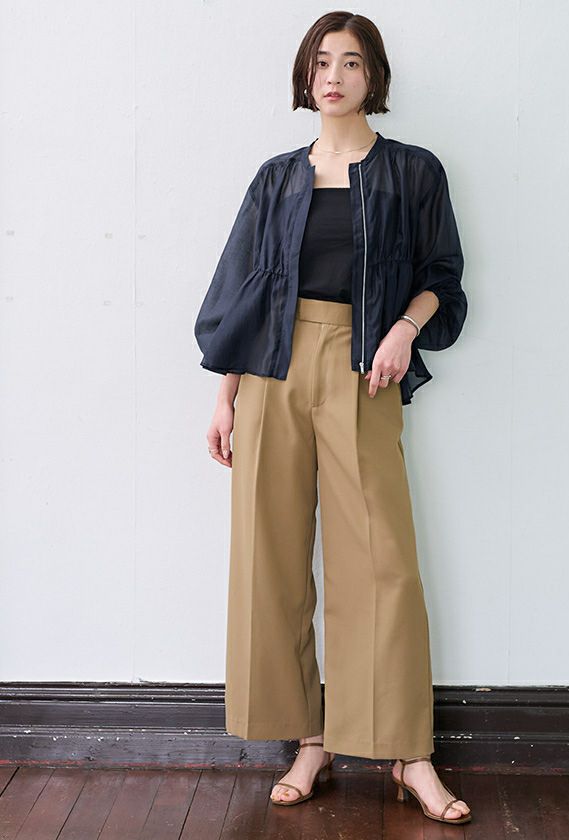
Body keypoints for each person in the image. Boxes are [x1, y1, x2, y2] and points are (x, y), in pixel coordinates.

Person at [194, 10, 471, 827]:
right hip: (271, 369)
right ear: (305, 76)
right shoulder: (276, 179)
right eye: (322, 62)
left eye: (351, 62)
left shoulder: (413, 171)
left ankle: (407, 753)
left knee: (382, 565)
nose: (335, 76)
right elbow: (242, 293)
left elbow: (442, 276)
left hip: (364, 368)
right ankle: (309, 741)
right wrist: (225, 397)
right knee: (270, 558)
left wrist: (404, 328)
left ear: (373, 76)